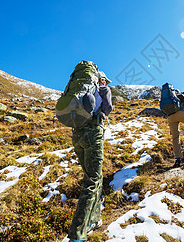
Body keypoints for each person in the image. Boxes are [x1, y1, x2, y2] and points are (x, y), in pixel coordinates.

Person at [67, 70, 113, 242]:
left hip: (77, 135)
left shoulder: (80, 89)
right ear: (100, 79)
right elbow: (108, 109)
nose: (107, 83)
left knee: (94, 177)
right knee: (92, 181)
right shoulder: (103, 89)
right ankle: (77, 235)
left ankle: (93, 220)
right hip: (94, 133)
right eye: (105, 81)